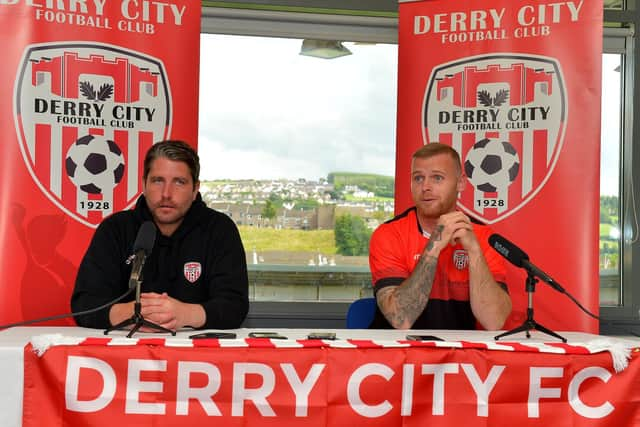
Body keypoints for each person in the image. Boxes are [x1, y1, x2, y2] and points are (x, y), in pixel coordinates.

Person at [71, 140, 249, 331]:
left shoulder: (219, 229)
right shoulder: (115, 229)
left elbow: (234, 306)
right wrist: (138, 312)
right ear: (144, 184)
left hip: (195, 353)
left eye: (179, 182)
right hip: (125, 351)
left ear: (195, 188)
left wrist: (183, 314)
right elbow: (85, 304)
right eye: (158, 181)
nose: (166, 193)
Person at [368, 143, 511, 330]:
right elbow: (400, 318)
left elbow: (494, 321)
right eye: (418, 178)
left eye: (437, 178)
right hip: (397, 353)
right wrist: (434, 246)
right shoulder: (388, 234)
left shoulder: (484, 237)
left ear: (460, 183)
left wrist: (474, 252)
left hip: (457, 353)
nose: (425, 187)